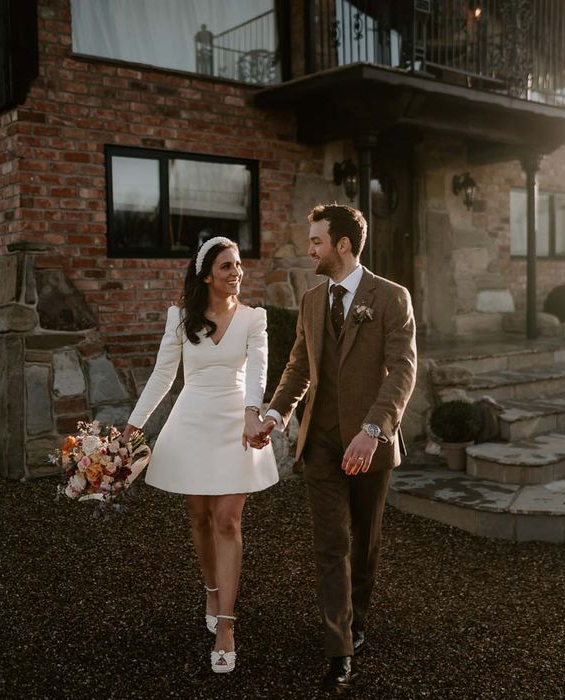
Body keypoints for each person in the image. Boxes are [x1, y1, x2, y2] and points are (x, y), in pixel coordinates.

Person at [258, 204, 417, 692]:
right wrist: (276, 412)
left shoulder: (390, 297)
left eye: (316, 241)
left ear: (343, 245)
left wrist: (373, 432)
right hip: (321, 443)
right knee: (330, 544)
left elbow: (403, 371)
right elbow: (298, 367)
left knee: (364, 543)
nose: (310, 248)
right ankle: (339, 650)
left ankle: (357, 618)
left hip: (368, 441)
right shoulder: (310, 300)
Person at [122, 236, 278, 674]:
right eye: (227, 266)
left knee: (227, 520)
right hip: (190, 420)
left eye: (239, 265)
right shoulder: (180, 319)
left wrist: (252, 414)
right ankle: (211, 587)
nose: (237, 273)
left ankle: (226, 625)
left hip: (234, 423)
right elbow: (162, 377)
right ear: (206, 274)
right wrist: (132, 429)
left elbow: (258, 372)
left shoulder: (254, 318)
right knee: (200, 518)